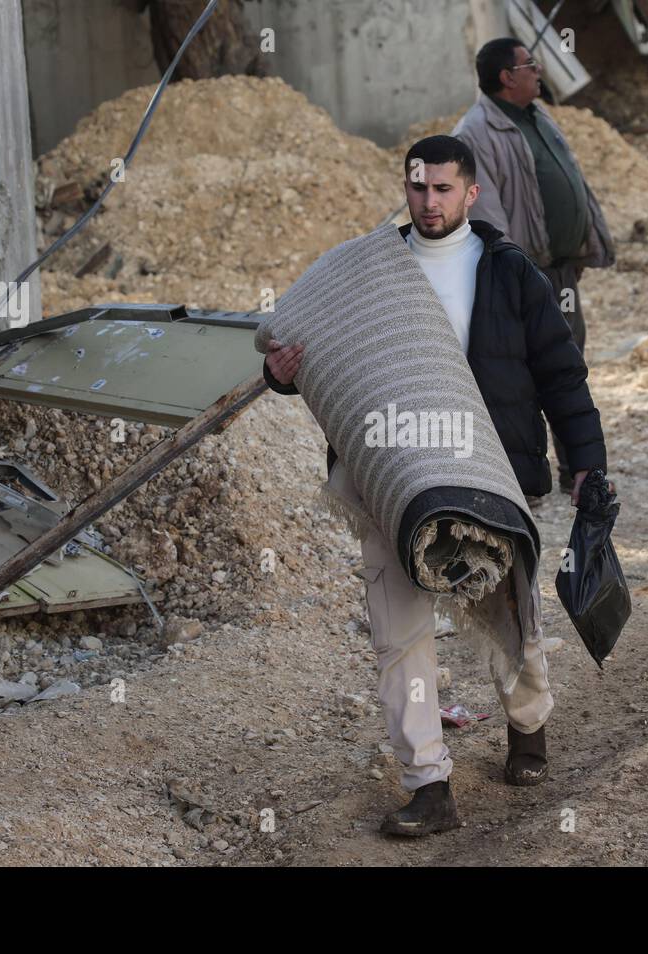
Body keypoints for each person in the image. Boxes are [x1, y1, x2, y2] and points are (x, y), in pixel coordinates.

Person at [263, 135, 607, 837]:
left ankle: (528, 726)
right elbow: (310, 356)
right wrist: (280, 373)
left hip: (495, 472)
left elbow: (561, 374)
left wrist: (587, 460)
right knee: (400, 633)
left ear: (471, 193)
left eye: (444, 190)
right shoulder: (369, 272)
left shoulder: (511, 272)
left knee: (510, 613)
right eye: (418, 189)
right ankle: (429, 785)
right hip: (388, 478)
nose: (429, 203)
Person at [452, 37, 614, 493]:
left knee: (568, 366)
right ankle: (523, 477)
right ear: (507, 76)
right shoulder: (476, 132)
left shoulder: (537, 117)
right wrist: (518, 273)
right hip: (527, 276)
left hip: (560, 271)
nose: (539, 71)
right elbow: (487, 213)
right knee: (524, 375)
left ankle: (576, 469)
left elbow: (568, 179)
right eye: (531, 64)